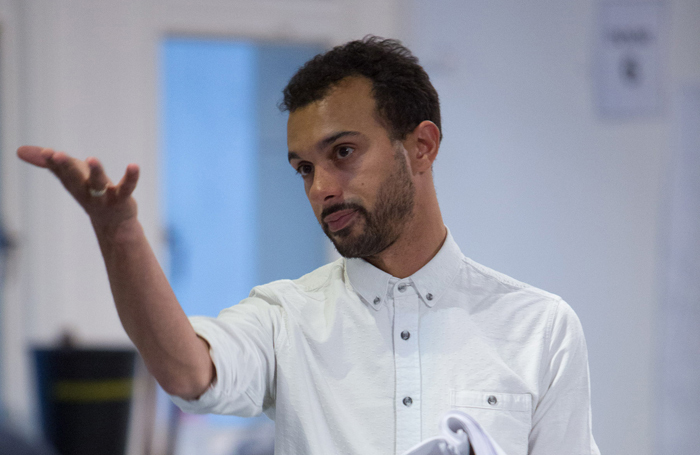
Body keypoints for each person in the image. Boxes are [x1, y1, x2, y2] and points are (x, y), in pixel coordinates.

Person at [18, 37, 599, 455]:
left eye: (343, 152)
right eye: (303, 168)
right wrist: (120, 236)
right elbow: (186, 371)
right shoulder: (284, 319)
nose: (321, 188)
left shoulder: (540, 329)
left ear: (421, 146)